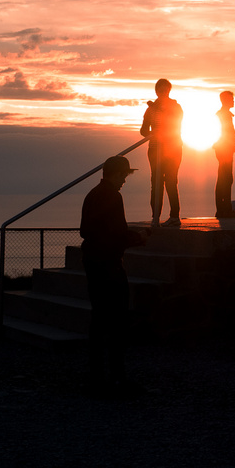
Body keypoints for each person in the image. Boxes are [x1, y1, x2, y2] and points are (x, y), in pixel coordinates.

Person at [79, 155, 145, 394]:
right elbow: (118, 234)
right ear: (116, 174)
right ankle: (118, 377)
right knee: (118, 322)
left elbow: (84, 230)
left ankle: (96, 377)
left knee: (98, 320)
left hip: (92, 262)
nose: (124, 182)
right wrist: (139, 239)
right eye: (123, 176)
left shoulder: (92, 195)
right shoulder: (113, 197)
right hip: (110, 266)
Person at [140, 79, 184, 227]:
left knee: (171, 181)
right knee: (156, 182)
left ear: (169, 91)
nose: (163, 92)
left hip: (173, 149)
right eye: (160, 89)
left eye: (165, 89)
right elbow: (143, 130)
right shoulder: (150, 109)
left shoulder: (176, 107)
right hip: (155, 149)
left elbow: (175, 125)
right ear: (156, 90)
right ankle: (155, 217)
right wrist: (153, 133)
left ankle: (174, 216)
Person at [213, 90, 235, 219]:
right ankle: (224, 210)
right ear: (225, 100)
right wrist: (234, 145)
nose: (233, 101)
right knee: (225, 179)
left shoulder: (224, 115)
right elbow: (226, 133)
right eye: (231, 99)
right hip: (224, 149)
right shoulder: (223, 115)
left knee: (224, 179)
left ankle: (223, 209)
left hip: (224, 148)